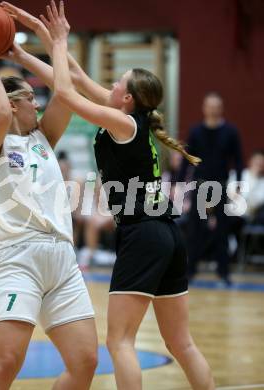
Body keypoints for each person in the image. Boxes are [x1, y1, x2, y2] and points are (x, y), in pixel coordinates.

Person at [34, 1, 215, 389]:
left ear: (127, 98)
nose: (113, 84)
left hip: (143, 234)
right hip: (167, 233)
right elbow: (76, 78)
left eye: (119, 82)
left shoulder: (120, 120)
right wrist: (29, 50)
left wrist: (63, 41)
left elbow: (64, 91)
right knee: (181, 342)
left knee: (120, 341)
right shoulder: (129, 117)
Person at [0, 27, 97, 389]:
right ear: (15, 103)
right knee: (5, 363)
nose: (38, 103)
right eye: (31, 98)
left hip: (63, 259)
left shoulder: (43, 137)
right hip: (20, 258)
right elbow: (0, 113)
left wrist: (47, 48)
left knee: (85, 362)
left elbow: (68, 93)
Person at [177, 92, 243, 284]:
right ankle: (190, 270)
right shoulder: (196, 131)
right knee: (195, 229)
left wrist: (238, 184)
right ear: (204, 108)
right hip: (200, 186)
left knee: (222, 229)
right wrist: (179, 183)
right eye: (210, 106)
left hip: (221, 186)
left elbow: (238, 160)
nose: (213, 109)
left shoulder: (231, 131)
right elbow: (186, 158)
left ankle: (223, 271)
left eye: (216, 106)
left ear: (221, 109)